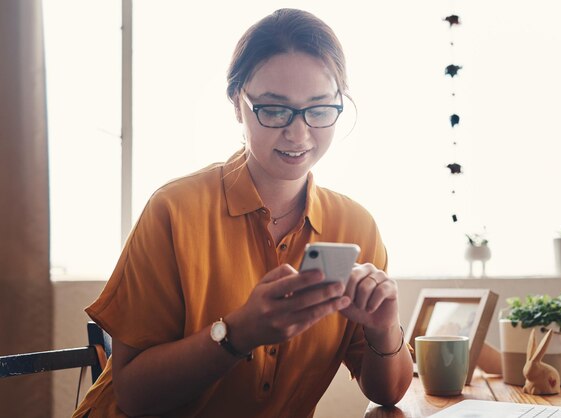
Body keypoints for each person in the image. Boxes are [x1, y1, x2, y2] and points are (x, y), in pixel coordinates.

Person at [72, 8, 412, 418]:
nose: (298, 133)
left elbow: (388, 393)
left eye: (320, 109)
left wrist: (383, 326)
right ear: (238, 104)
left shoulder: (355, 226)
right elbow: (133, 397)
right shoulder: (174, 211)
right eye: (273, 109)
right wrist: (237, 334)